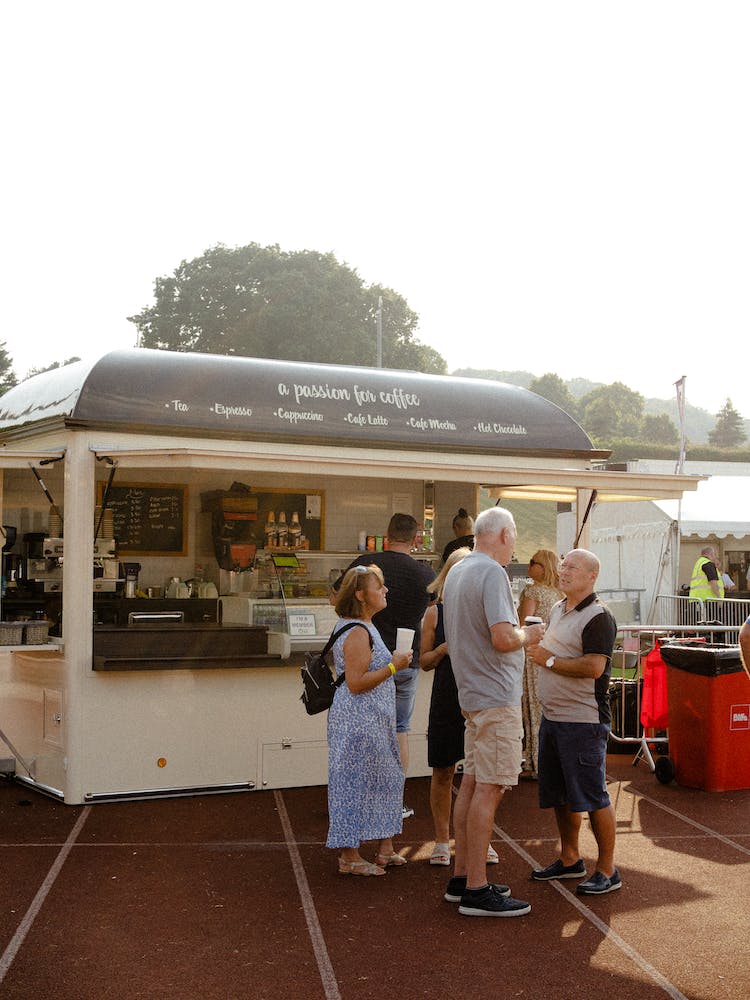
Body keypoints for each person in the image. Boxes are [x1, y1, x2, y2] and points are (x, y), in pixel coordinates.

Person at [441, 506, 546, 917]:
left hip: (472, 693)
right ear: (504, 534)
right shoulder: (491, 573)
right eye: (515, 537)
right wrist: (531, 633)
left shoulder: (459, 571)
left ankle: (463, 877)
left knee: (470, 784)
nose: (515, 545)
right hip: (495, 695)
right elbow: (503, 637)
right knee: (490, 787)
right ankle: (477, 890)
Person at [527, 548, 620, 895]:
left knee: (593, 796)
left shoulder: (598, 616)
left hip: (583, 721)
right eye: (563, 566)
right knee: (560, 794)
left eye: (572, 567)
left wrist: (548, 661)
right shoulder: (557, 608)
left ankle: (608, 870)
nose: (563, 571)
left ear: (592, 575)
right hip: (554, 717)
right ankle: (570, 859)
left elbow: (594, 667)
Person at [336, 513, 435, 817]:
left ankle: (364, 797)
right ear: (416, 538)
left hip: (370, 656)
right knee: (400, 729)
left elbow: (336, 596)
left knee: (367, 730)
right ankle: (394, 799)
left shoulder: (367, 562)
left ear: (387, 534)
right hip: (407, 658)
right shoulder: (425, 574)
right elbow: (433, 611)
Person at [326, 565, 413, 875]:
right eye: (380, 587)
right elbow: (355, 682)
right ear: (362, 595)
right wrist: (393, 666)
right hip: (358, 721)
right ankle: (350, 856)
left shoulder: (363, 625)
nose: (385, 591)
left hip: (374, 719)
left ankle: (385, 847)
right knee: (354, 783)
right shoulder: (357, 631)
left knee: (386, 778)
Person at [420, 548, 500, 867]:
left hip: (479, 696)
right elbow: (423, 661)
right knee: (443, 769)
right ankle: (442, 840)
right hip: (447, 695)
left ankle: (481, 839)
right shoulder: (434, 613)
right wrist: (442, 649)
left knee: (483, 775)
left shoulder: (483, 610)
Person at [517, 549, 563, 778]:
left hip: (532, 654)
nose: (528, 566)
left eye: (533, 562)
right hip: (551, 652)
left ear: (542, 567)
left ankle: (536, 761)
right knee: (546, 707)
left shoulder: (532, 591)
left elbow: (522, 625)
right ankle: (546, 761)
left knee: (533, 709)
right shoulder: (558, 594)